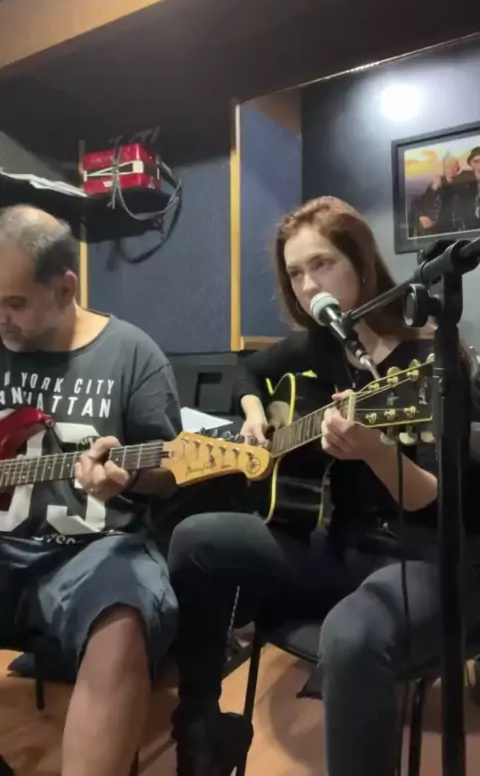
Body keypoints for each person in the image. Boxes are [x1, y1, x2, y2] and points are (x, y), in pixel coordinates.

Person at [167, 196, 480, 776]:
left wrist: (374, 451)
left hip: (425, 560)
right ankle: (201, 729)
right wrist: (254, 412)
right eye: (295, 273)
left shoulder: (430, 361)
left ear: (361, 264)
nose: (309, 285)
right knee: (196, 538)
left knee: (351, 635)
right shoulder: (318, 345)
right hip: (339, 547)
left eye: (322, 264)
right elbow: (247, 368)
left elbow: (435, 498)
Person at [0, 205, 181, 776]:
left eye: (15, 303)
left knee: (122, 620)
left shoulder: (133, 355)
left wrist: (132, 476)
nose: (2, 319)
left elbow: (173, 467)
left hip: (96, 552)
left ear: (65, 288)